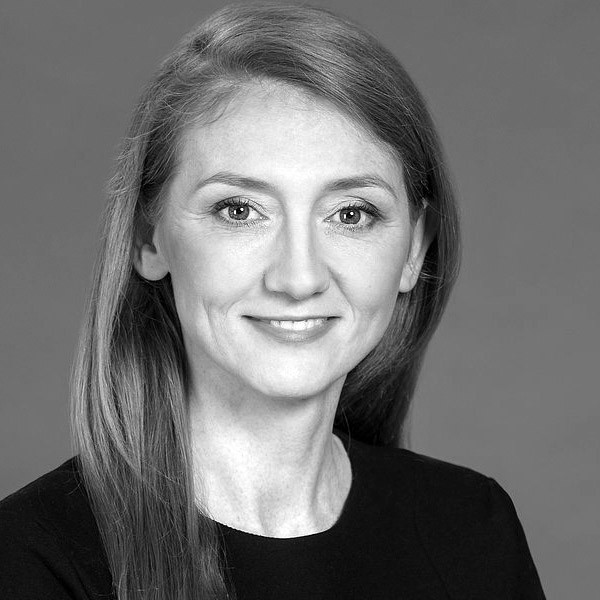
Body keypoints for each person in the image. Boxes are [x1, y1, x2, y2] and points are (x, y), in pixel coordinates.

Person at [0, 4, 545, 599]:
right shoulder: (30, 561)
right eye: (239, 210)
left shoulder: (472, 529)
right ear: (147, 238)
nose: (299, 277)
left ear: (415, 248)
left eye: (351, 214)